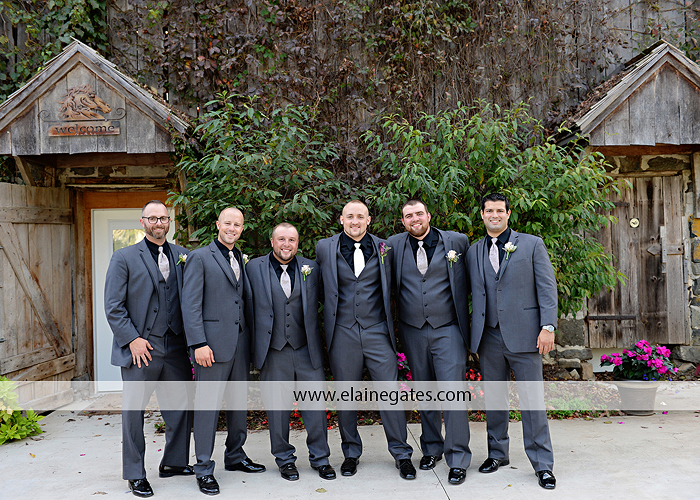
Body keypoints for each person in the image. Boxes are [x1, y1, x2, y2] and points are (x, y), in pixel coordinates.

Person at [315, 200, 415, 480]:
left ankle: (402, 454)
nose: (355, 221)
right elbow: (321, 289)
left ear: (369, 220)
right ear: (341, 219)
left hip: (378, 330)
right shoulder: (325, 247)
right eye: (350, 216)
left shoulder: (385, 248)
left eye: (360, 216)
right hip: (342, 332)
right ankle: (350, 454)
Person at [466, 193, 557, 490]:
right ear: (482, 214)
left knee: (532, 402)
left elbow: (547, 287)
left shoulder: (531, 244)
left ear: (508, 213)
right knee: (495, 399)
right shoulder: (473, 251)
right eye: (489, 210)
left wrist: (548, 327)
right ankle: (497, 454)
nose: (494, 215)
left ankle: (542, 464)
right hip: (489, 336)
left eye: (499, 210)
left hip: (526, 335)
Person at [104, 200, 193, 498]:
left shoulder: (183, 255)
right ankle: (135, 474)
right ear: (142, 222)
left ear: (169, 222)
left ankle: (174, 463)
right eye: (152, 218)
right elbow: (113, 306)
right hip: (140, 349)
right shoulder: (124, 257)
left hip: (176, 346)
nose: (158, 223)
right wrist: (132, 339)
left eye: (163, 218)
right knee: (134, 413)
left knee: (180, 408)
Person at [181, 207, 265, 496]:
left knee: (238, 403)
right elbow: (190, 304)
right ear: (218, 224)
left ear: (242, 228)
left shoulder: (239, 256)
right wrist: (198, 343)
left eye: (237, 224)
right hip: (211, 347)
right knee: (208, 407)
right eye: (228, 223)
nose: (232, 228)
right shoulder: (200, 257)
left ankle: (235, 455)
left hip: (240, 343)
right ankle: (203, 468)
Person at [387, 199, 472, 485]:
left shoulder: (457, 242)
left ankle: (457, 458)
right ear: (403, 221)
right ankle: (432, 448)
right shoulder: (393, 245)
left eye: (419, 214)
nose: (415, 219)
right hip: (412, 329)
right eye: (408, 216)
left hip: (448, 328)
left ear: (428, 215)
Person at [247, 223, 335, 481]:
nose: (287, 244)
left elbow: (329, 300)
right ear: (272, 242)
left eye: (292, 240)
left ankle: (320, 458)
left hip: (307, 349)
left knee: (315, 407)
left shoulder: (312, 268)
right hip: (273, 350)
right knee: (277, 410)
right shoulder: (253, 268)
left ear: (298, 243)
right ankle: (284, 460)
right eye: (282, 239)